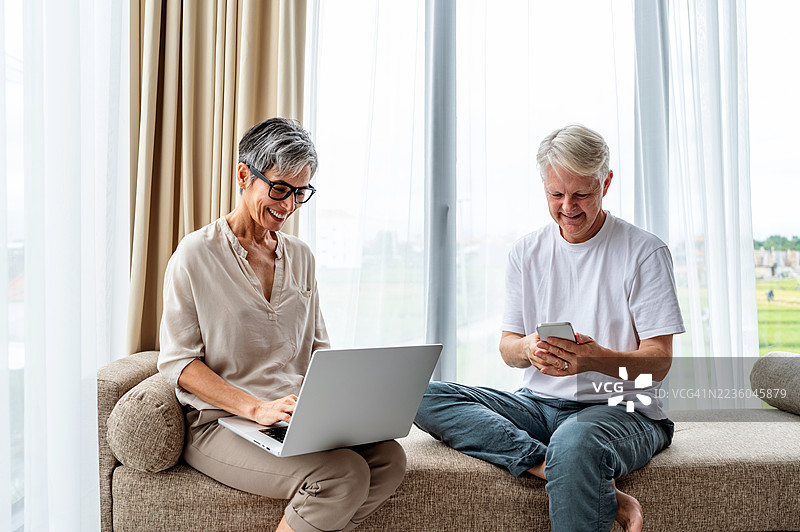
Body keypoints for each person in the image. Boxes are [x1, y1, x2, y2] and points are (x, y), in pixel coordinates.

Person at [414, 124, 685, 532]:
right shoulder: (527, 251)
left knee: (575, 441)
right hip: (538, 404)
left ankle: (573, 462)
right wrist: (529, 349)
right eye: (556, 194)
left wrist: (593, 358)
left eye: (581, 194)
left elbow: (658, 362)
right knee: (421, 394)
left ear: (605, 183)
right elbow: (507, 347)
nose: (567, 207)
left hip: (622, 408)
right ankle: (567, 474)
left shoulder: (644, 251)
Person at [158, 118, 406, 532]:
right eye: (279, 189)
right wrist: (255, 407)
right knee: (343, 473)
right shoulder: (195, 254)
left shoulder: (302, 256)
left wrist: (340, 408)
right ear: (243, 175)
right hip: (220, 423)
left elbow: (317, 350)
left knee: (389, 458)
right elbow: (179, 364)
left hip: (292, 418)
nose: (288, 205)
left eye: (300, 193)